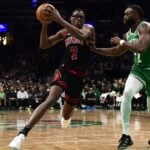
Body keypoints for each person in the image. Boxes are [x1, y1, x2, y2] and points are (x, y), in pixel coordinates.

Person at [9, 7, 95, 150]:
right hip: (65, 71)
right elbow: (44, 44)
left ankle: (65, 118)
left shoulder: (89, 29)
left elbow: (81, 36)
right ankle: (22, 134)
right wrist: (44, 24)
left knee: (67, 115)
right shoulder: (64, 32)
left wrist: (58, 19)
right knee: (50, 100)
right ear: (71, 18)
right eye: (76, 16)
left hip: (79, 77)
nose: (79, 19)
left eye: (82, 17)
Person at [89, 4, 150, 150]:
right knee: (127, 93)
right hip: (139, 70)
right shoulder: (127, 35)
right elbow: (116, 51)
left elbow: (141, 48)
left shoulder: (146, 27)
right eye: (124, 14)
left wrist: (121, 42)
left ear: (137, 15)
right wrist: (96, 49)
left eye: (127, 14)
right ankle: (126, 135)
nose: (124, 17)